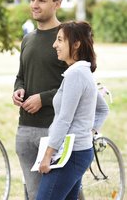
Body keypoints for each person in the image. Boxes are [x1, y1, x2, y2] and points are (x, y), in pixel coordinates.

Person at [36, 21, 109, 199]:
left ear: (76, 44)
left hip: (72, 155)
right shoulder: (81, 73)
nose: (55, 45)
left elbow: (64, 119)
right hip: (78, 152)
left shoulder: (76, 75)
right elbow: (103, 108)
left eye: (60, 40)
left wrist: (47, 156)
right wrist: (87, 131)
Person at [12, 0, 68, 200]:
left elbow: (78, 87)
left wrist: (42, 99)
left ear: (57, 3)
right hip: (25, 129)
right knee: (35, 195)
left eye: (42, 0)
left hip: (55, 130)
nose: (34, 4)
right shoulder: (28, 39)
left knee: (63, 193)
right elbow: (21, 76)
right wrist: (19, 90)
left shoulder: (69, 37)